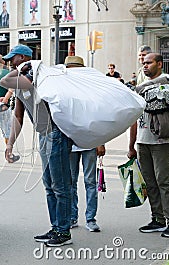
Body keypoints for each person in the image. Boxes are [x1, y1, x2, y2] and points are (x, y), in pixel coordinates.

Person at [1, 45, 73, 246]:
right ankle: (56, 227)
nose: (10, 63)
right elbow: (18, 116)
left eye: (13, 59)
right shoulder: (20, 83)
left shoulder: (35, 77)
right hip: (44, 136)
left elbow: (3, 80)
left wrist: (23, 67)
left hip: (56, 134)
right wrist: (9, 144)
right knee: (49, 186)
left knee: (60, 186)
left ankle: (64, 232)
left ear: (23, 58)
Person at [128, 53, 169, 238]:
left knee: (164, 181)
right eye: (143, 63)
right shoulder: (138, 86)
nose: (145, 66)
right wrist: (131, 145)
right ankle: (158, 219)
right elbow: (134, 117)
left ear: (159, 64)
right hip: (142, 141)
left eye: (149, 63)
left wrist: (165, 97)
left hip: (161, 141)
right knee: (150, 183)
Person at [65, 56, 105, 232]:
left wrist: (101, 142)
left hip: (89, 142)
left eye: (75, 68)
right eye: (69, 69)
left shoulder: (91, 90)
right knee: (70, 182)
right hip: (70, 143)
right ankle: (73, 217)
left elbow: (100, 117)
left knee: (90, 182)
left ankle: (91, 219)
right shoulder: (62, 90)